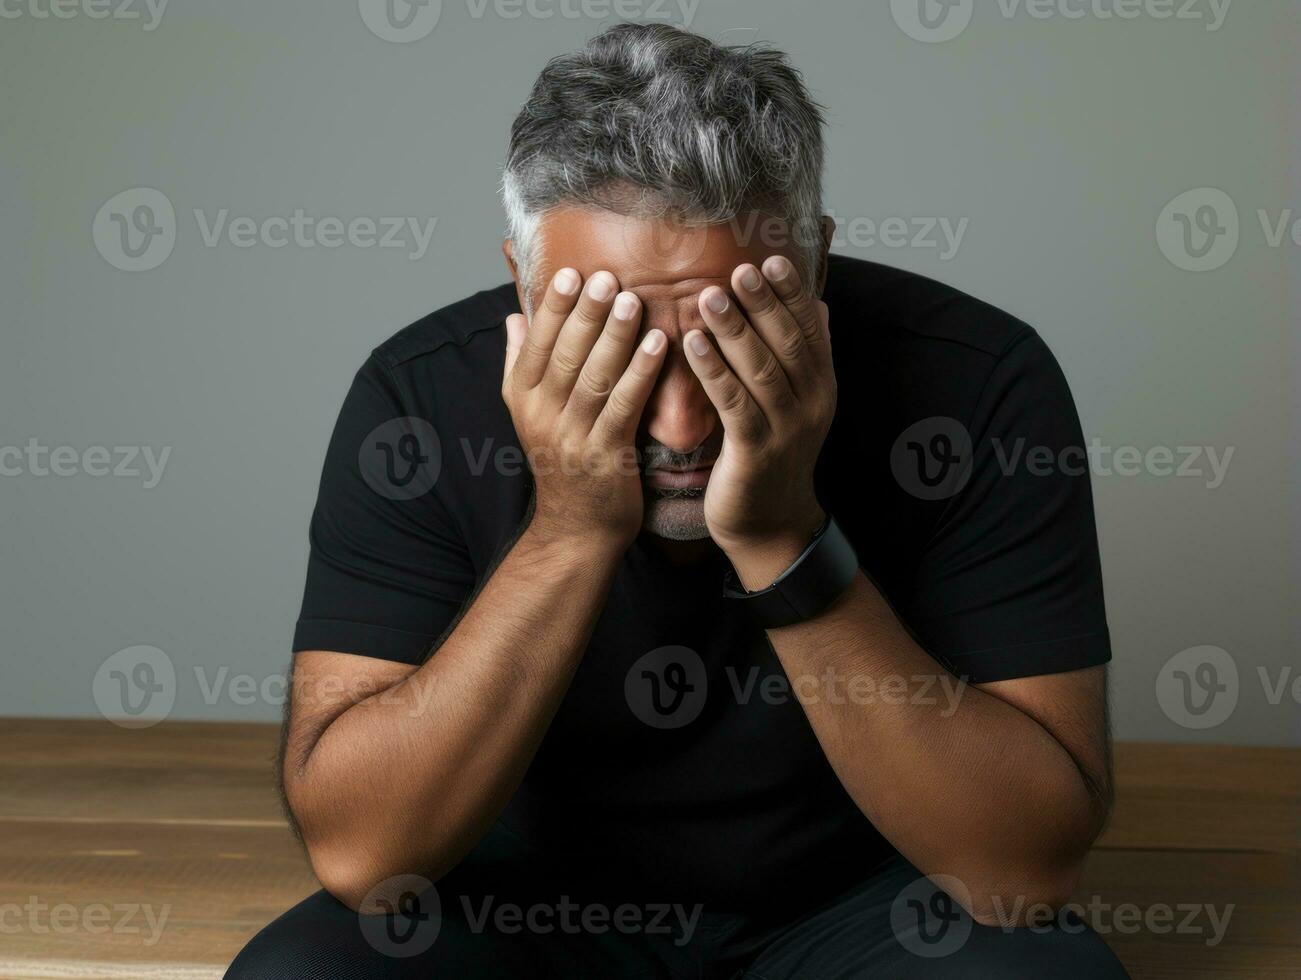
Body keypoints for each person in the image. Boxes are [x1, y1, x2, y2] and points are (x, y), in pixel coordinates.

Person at [228, 23, 1127, 978]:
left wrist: (783, 537)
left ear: (815, 267)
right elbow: (364, 857)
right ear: (523, 290)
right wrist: (570, 530)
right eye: (616, 346)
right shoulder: (412, 401)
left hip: (861, 907)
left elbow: (1025, 869)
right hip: (518, 912)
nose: (684, 426)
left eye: (732, 336)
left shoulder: (977, 382)